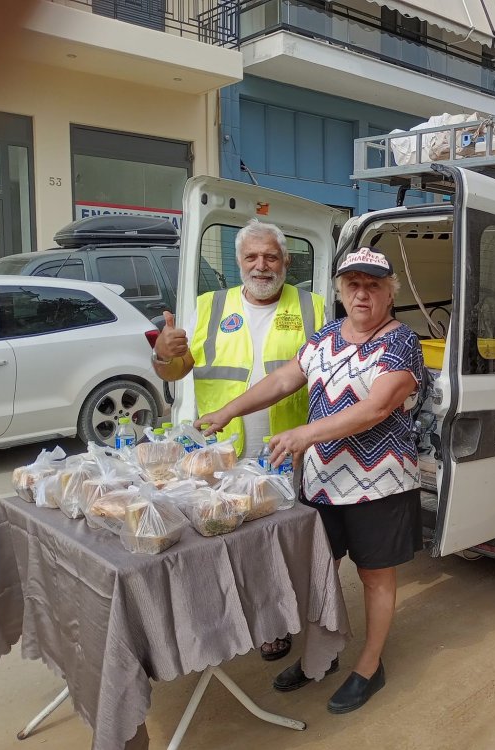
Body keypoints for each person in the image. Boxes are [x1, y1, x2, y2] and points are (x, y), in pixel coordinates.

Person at [196, 246, 425, 714]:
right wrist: (227, 410)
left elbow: (376, 408)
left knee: (375, 575)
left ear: (389, 294)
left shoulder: (402, 342)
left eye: (374, 285)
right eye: (353, 284)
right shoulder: (324, 337)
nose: (362, 293)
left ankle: (369, 665)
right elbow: (284, 380)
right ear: (340, 291)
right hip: (322, 484)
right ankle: (322, 656)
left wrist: (304, 433)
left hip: (378, 484)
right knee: (319, 571)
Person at [152, 218, 324, 662]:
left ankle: (273, 623)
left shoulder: (314, 307)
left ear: (286, 261)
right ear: (238, 262)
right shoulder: (209, 305)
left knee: (274, 541)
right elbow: (175, 371)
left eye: (271, 256)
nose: (261, 266)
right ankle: (220, 620)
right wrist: (162, 355)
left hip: (283, 451)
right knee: (218, 536)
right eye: (252, 257)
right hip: (219, 453)